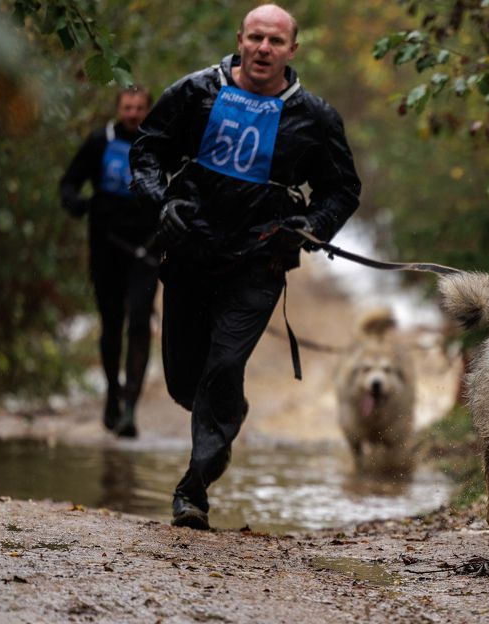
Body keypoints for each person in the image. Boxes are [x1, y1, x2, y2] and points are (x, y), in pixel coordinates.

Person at [129, 3, 361, 530]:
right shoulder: (194, 92)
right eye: (255, 38)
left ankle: (194, 489)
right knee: (185, 383)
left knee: (223, 367)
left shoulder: (315, 117)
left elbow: (342, 189)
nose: (263, 48)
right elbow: (146, 152)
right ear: (240, 40)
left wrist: (309, 228)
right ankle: (223, 420)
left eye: (275, 42)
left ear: (291, 50)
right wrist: (161, 205)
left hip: (259, 261)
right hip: (190, 254)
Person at [60, 87, 158, 438]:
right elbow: (69, 183)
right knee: (112, 323)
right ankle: (112, 394)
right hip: (106, 247)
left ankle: (131, 407)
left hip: (147, 250)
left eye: (139, 108)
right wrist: (76, 202)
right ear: (119, 109)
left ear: (149, 110)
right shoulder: (99, 141)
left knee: (139, 322)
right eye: (128, 107)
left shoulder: (160, 145)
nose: (133, 113)